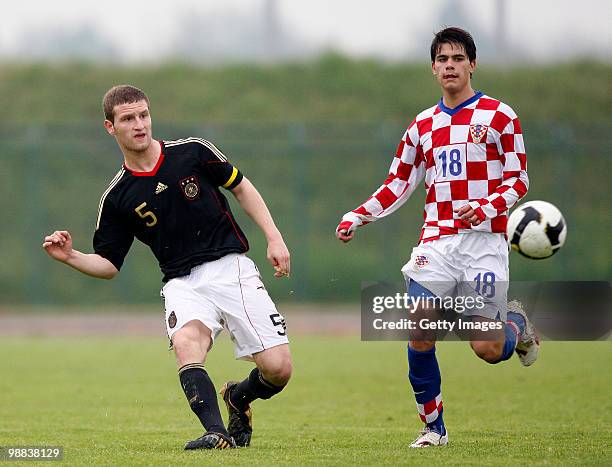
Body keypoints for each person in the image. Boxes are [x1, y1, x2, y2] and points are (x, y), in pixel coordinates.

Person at [43, 85, 292, 450]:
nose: (139, 124)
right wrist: (70, 256)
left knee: (278, 369)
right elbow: (110, 264)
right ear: (110, 127)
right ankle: (216, 433)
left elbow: (241, 187)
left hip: (231, 268)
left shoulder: (192, 152)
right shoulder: (117, 197)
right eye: (128, 118)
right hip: (181, 283)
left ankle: (239, 397)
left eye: (143, 114)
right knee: (187, 345)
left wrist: (274, 237)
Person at [336, 27, 539, 448]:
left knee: (486, 348)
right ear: (433, 68)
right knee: (419, 328)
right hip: (437, 244)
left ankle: (516, 325)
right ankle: (434, 429)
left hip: (484, 244)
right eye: (442, 59)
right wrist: (359, 215)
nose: (450, 65)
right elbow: (398, 183)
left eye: (458, 58)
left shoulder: (500, 116)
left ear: (472, 64)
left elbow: (519, 179)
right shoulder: (422, 126)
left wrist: (483, 209)